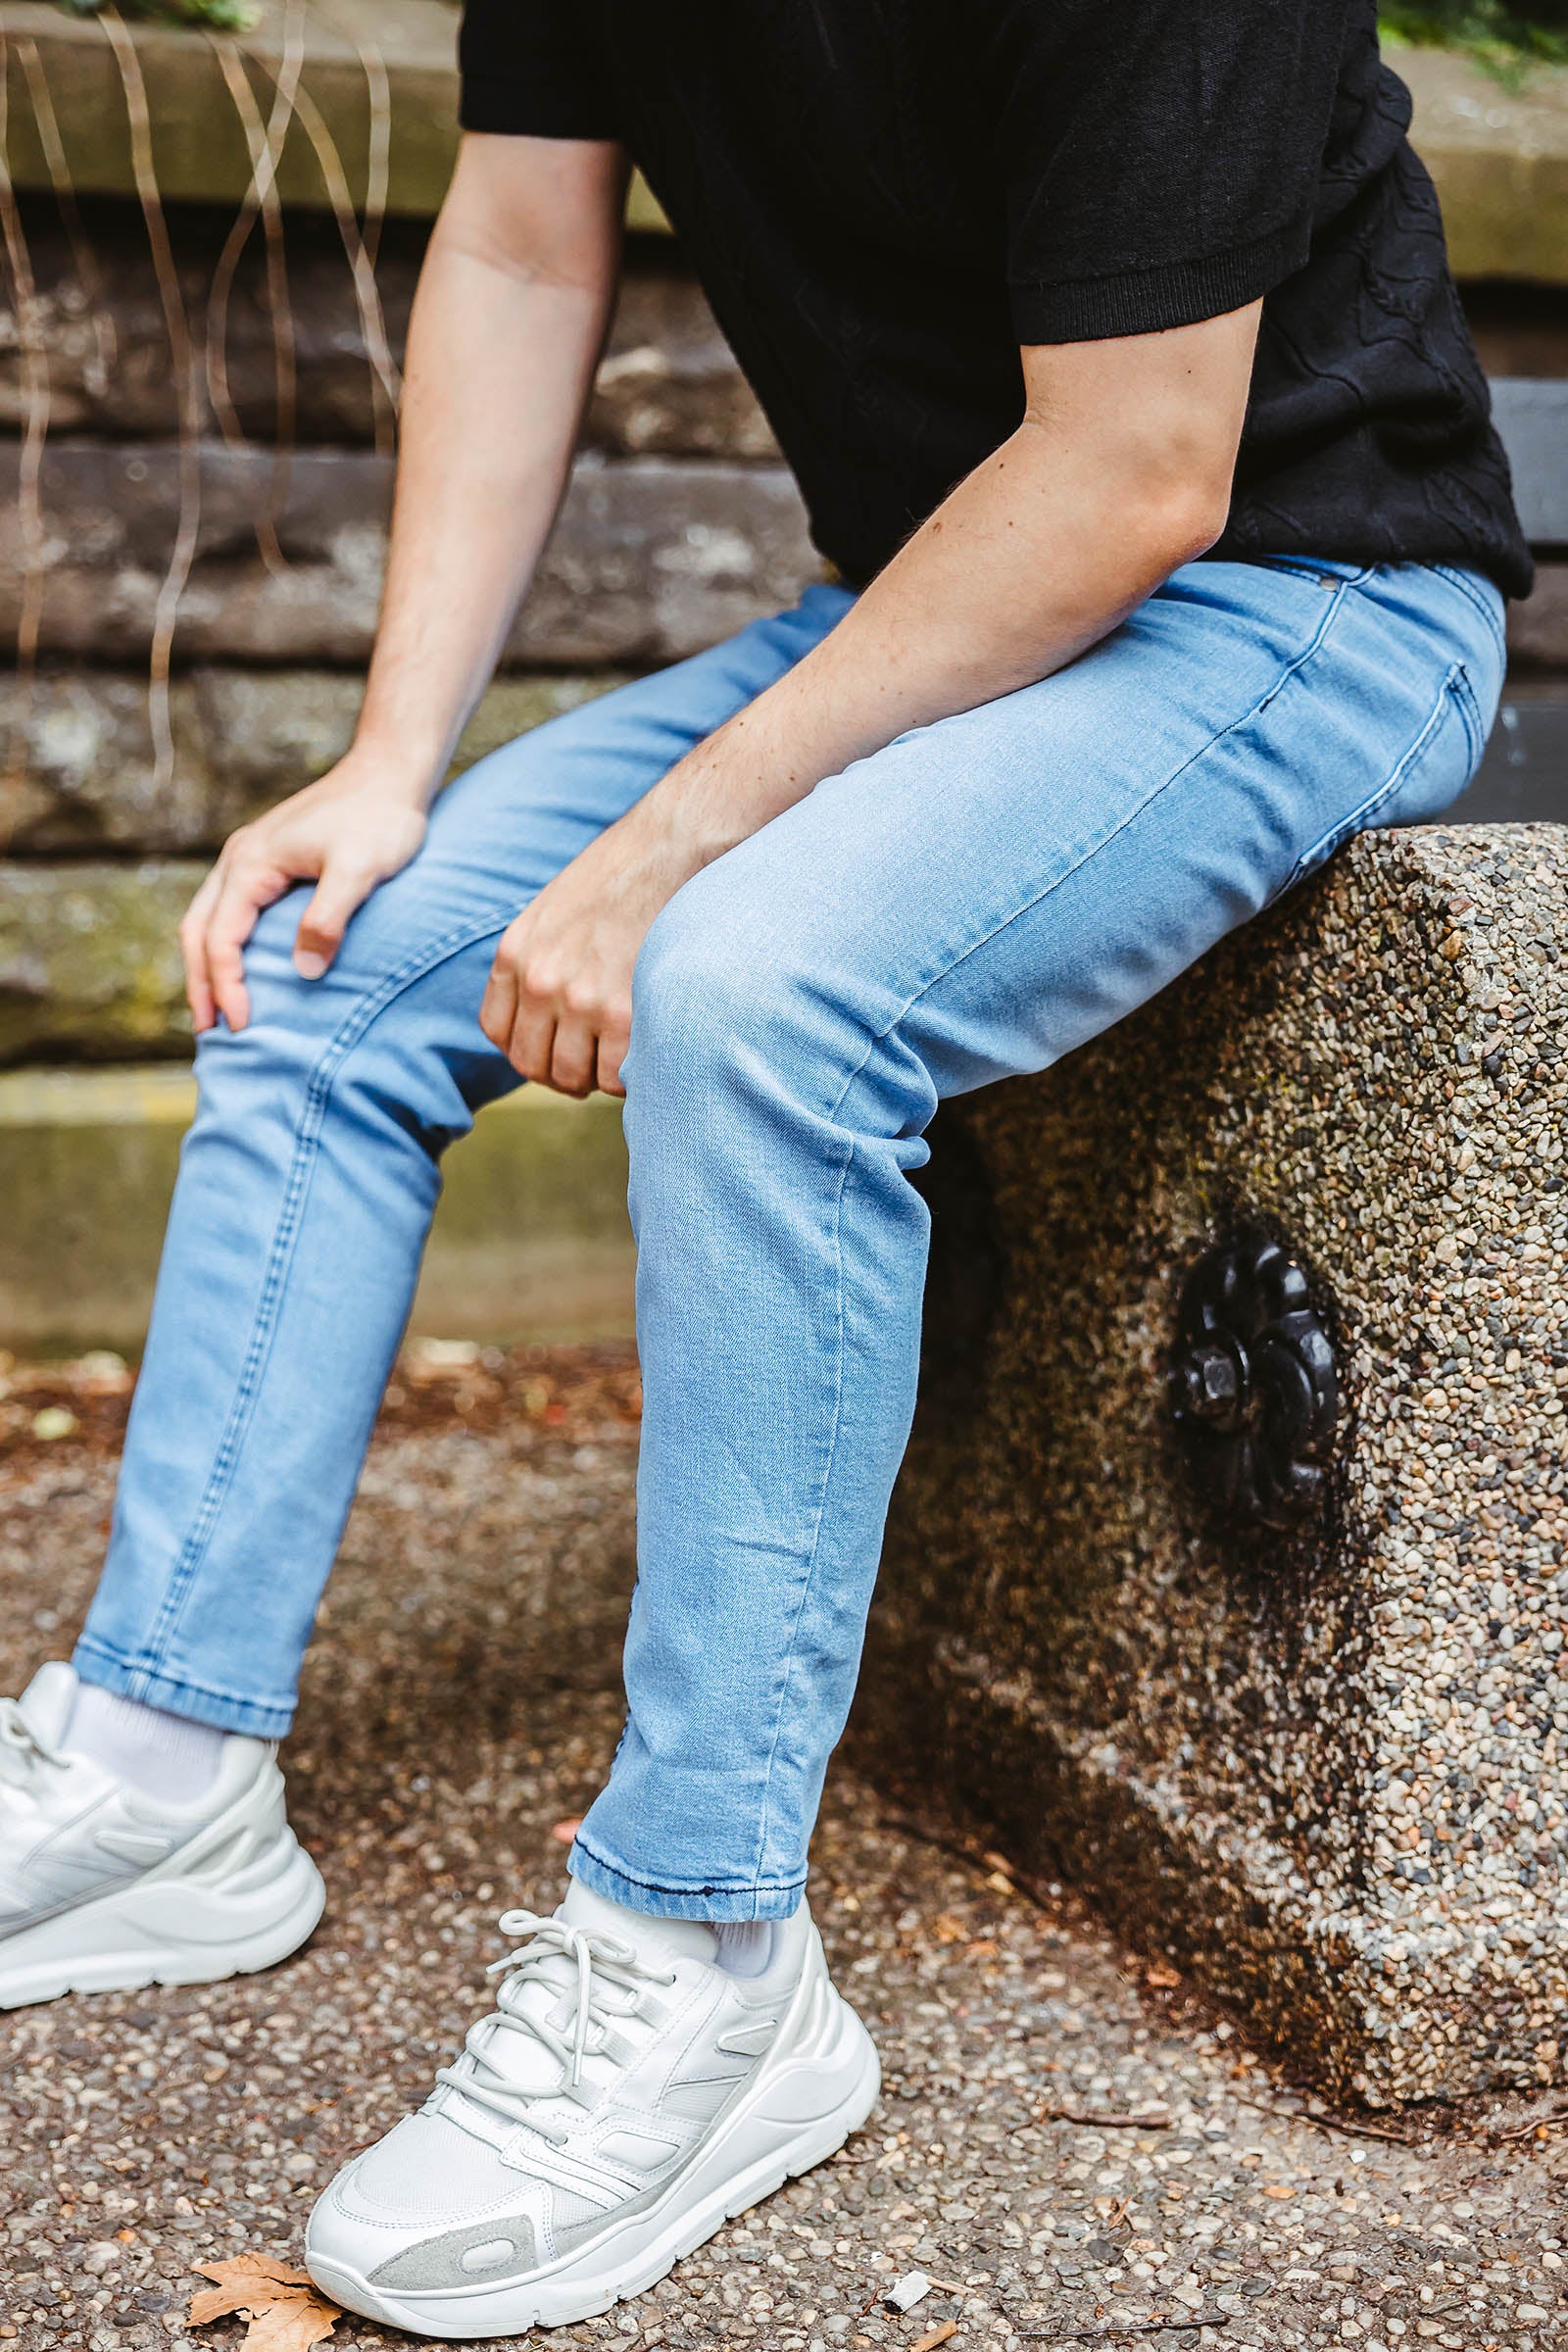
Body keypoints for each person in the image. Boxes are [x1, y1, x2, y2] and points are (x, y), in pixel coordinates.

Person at [0, 0, 1529, 2334]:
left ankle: (702, 1955)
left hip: (1296, 588)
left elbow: (1136, 469)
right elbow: (519, 247)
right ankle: (154, 1771)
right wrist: (389, 762)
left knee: (758, 995)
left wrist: (673, 848)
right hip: (930, 592)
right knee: (330, 967)